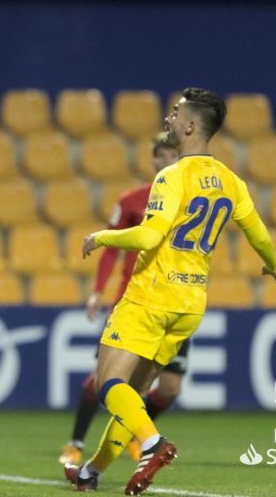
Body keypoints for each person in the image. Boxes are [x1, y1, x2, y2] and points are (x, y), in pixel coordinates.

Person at [64, 88, 276, 494]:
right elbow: (259, 235)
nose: (168, 118)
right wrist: (272, 266)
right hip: (189, 305)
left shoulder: (172, 175)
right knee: (134, 396)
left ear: (190, 125)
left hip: (150, 297)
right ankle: (92, 470)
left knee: (108, 386)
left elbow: (150, 236)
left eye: (174, 112)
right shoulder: (231, 182)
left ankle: (152, 444)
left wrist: (102, 237)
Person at [59, 134, 182, 468]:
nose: (167, 160)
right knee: (103, 378)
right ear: (153, 159)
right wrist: (98, 291)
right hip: (134, 300)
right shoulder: (132, 201)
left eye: (173, 154)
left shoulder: (188, 201)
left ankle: (135, 436)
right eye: (162, 155)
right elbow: (112, 250)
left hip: (175, 303)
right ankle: (76, 444)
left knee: (168, 388)